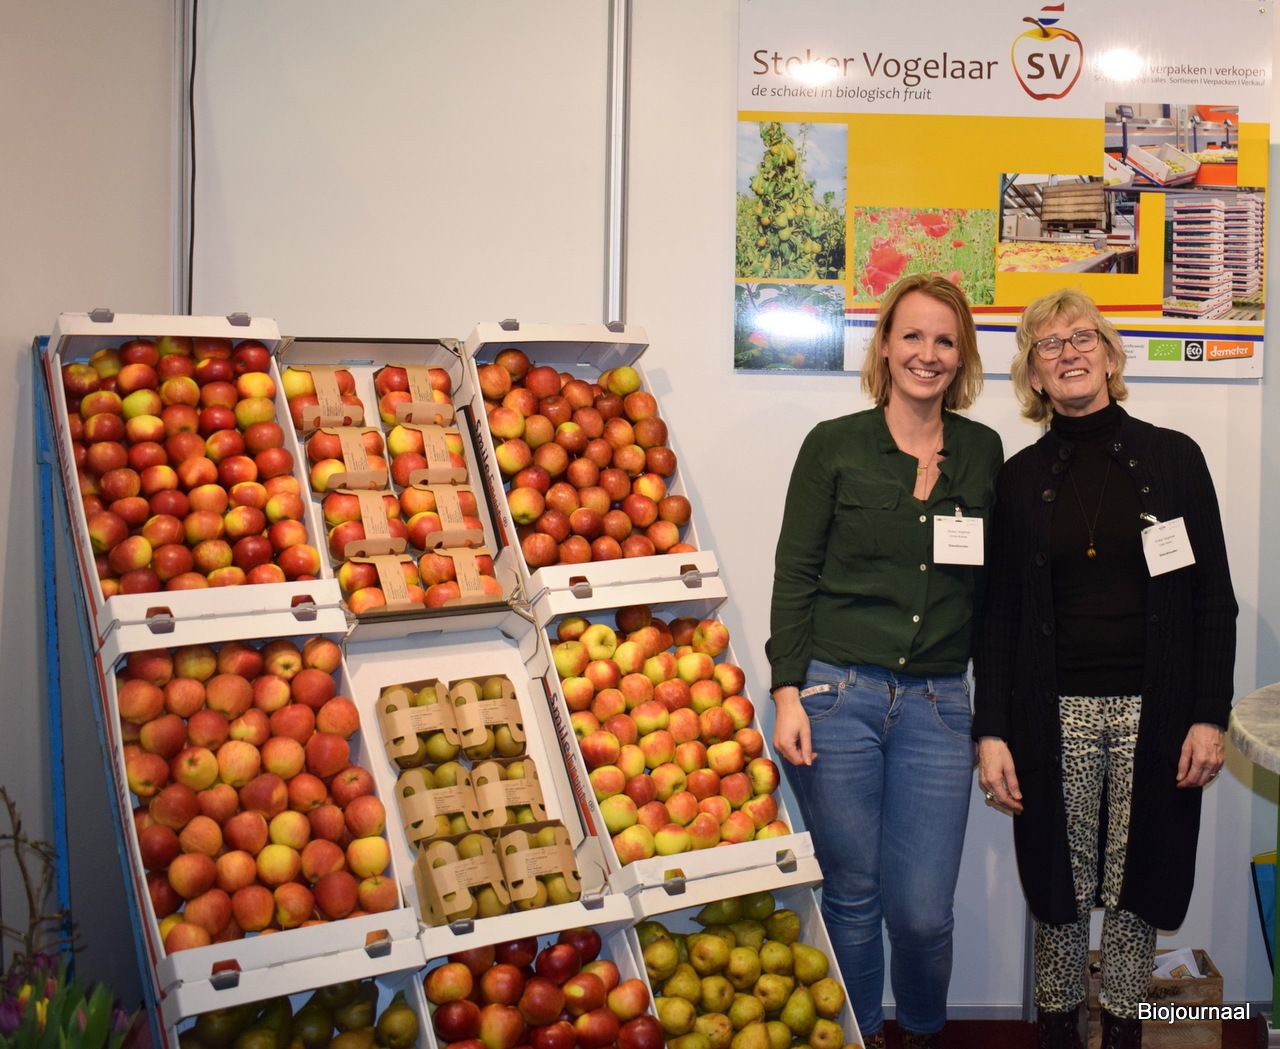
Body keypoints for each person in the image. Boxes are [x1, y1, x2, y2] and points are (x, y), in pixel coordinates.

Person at [973, 288, 1237, 1049]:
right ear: (1033, 374)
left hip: (1157, 710)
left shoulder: (1175, 458)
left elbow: (1212, 600)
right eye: (1049, 344)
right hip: (1052, 712)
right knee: (1059, 884)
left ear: (1113, 356)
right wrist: (992, 731)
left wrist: (1207, 715)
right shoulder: (1018, 479)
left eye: (1083, 336)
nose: (1070, 353)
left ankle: (1123, 1027)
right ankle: (1058, 1025)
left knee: (1137, 883)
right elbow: (998, 616)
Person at [768, 273, 1003, 1049]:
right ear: (885, 346)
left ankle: (924, 1032)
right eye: (913, 336)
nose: (927, 354)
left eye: (944, 340)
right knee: (853, 895)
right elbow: (796, 574)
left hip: (940, 704)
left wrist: (996, 716)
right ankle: (864, 1035)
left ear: (961, 355)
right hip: (838, 696)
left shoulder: (983, 451)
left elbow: (992, 595)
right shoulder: (833, 444)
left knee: (924, 912)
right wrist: (787, 691)